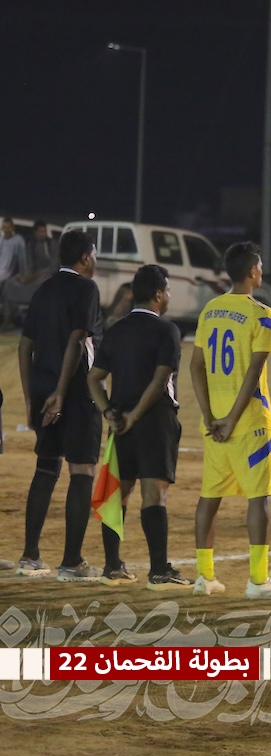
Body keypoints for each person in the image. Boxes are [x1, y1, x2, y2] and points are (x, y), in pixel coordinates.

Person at [85, 264, 189, 588]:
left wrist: (109, 412)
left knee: (119, 493)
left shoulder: (116, 330)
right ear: (158, 294)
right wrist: (137, 414)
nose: (168, 295)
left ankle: (112, 565)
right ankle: (159, 570)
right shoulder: (167, 331)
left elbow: (94, 378)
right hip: (154, 420)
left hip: (120, 422)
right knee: (154, 494)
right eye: (167, 290)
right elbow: (160, 382)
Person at [188, 241, 271, 598]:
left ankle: (204, 576)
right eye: (260, 266)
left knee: (209, 496)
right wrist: (231, 419)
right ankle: (258, 579)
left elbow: (195, 366)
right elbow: (254, 372)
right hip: (249, 423)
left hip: (213, 425)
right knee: (259, 498)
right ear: (253, 271)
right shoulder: (263, 314)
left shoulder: (210, 310)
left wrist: (210, 415)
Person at [15, 229, 103, 579]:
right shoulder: (87, 289)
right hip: (77, 392)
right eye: (93, 255)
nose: (95, 261)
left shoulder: (44, 289)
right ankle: (72, 561)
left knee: (46, 467)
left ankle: (30, 557)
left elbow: (24, 346)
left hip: (42, 388)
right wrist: (62, 392)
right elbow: (78, 340)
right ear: (85, 257)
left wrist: (31, 398)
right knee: (82, 470)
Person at [4, 223, 60, 329]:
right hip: (34, 274)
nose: (43, 234)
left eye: (44, 231)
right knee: (10, 283)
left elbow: (53, 267)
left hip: (48, 274)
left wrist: (35, 276)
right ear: (35, 233)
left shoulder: (52, 244)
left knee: (43, 284)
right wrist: (25, 276)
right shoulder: (31, 244)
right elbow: (29, 264)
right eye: (41, 231)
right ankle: (9, 318)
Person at [0, 218, 26, 292]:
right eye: (5, 227)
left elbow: (22, 259)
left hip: (7, 271)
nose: (7, 230)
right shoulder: (1, 239)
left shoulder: (18, 240)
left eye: (9, 227)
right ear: (2, 228)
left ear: (13, 228)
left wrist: (23, 274)